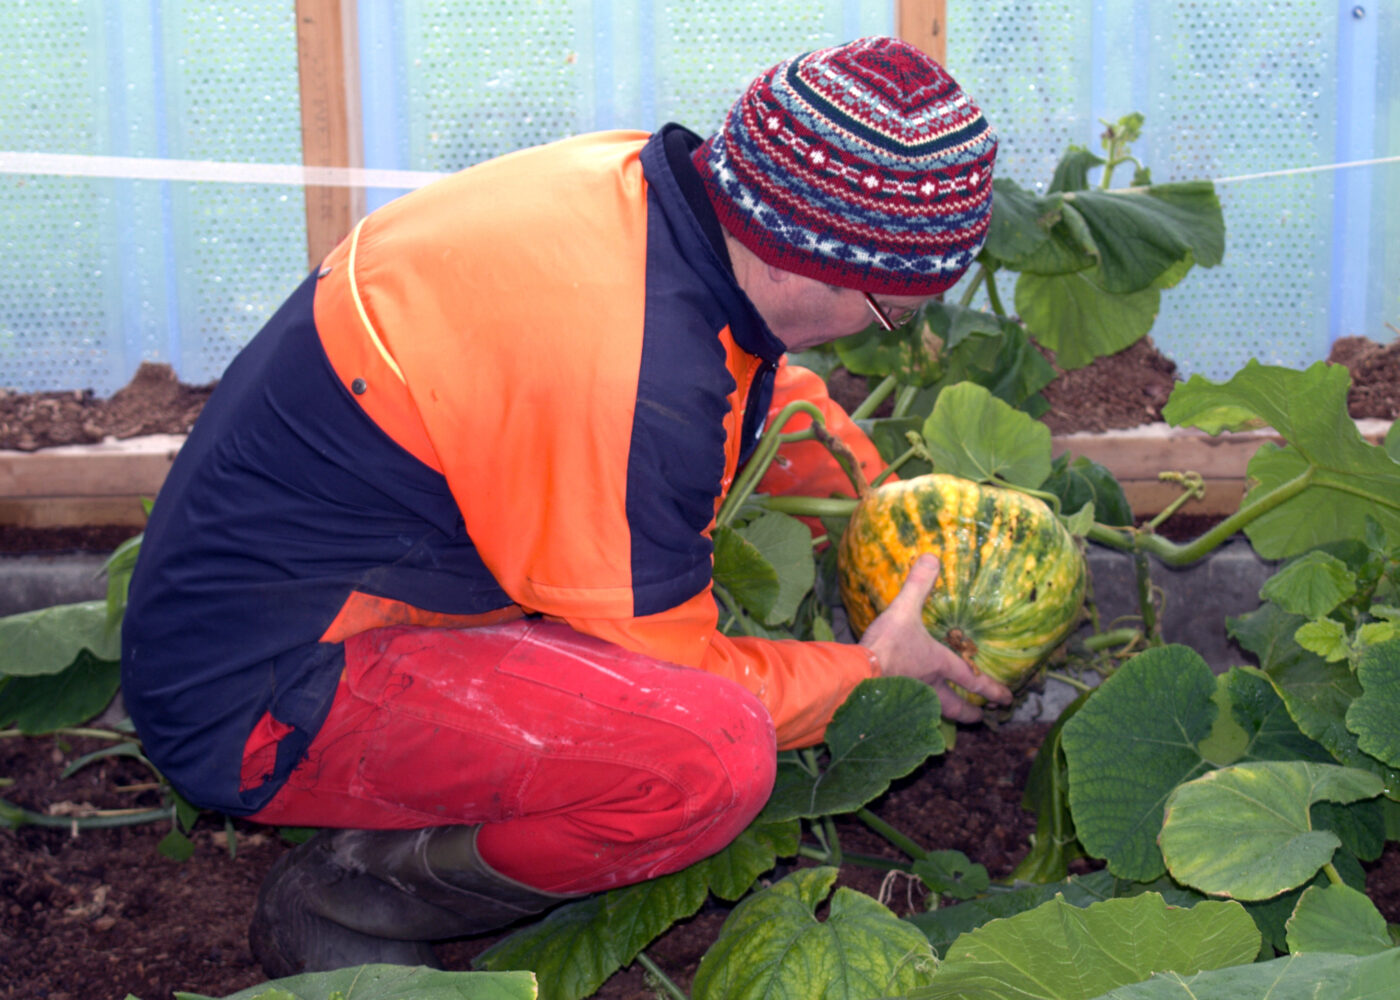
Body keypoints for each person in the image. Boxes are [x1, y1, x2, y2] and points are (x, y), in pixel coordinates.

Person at [120, 35, 1006, 976]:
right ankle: (355, 898)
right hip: (261, 699)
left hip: (287, 592)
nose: (888, 333)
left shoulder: (646, 200)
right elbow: (674, 674)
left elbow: (755, 377)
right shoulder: (630, 371)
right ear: (804, 259)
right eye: (891, 312)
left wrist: (889, 512)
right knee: (707, 758)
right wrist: (869, 673)